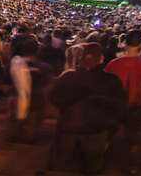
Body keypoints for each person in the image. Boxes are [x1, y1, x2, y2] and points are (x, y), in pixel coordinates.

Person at [49, 42, 126, 174]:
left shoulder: (67, 76)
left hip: (68, 129)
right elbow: (119, 107)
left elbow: (54, 99)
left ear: (81, 58)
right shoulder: (111, 80)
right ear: (101, 58)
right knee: (92, 168)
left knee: (61, 166)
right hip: (96, 131)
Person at [106, 29, 141, 171]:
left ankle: (102, 161)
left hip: (115, 106)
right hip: (136, 106)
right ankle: (133, 168)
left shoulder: (113, 63)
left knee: (108, 136)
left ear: (124, 43)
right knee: (133, 140)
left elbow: (107, 86)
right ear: (140, 44)